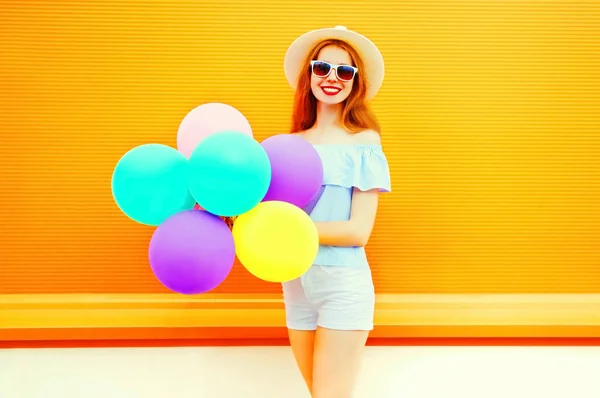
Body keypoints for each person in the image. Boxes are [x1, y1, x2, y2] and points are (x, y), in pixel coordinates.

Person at [282, 26, 391, 398]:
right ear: (308, 74)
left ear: (356, 82)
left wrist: (289, 229)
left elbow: (358, 231)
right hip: (295, 284)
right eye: (322, 68)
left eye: (344, 71)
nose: (332, 78)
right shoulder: (287, 147)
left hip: (342, 285)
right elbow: (261, 215)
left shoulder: (364, 144)